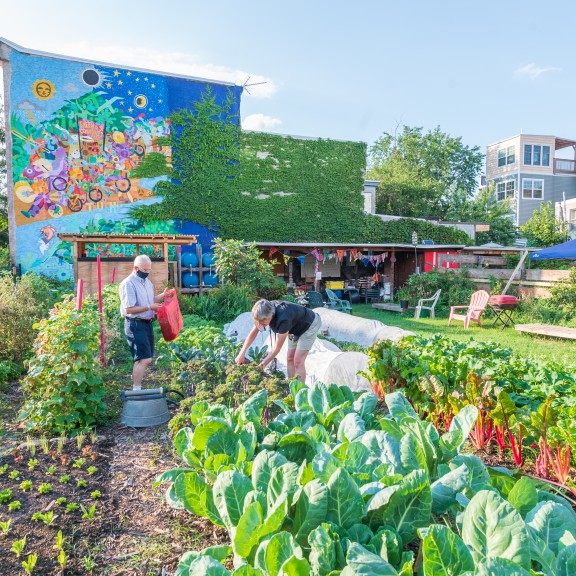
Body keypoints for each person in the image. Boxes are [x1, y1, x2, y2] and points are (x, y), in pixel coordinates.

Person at [235, 299, 321, 383]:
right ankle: (291, 387)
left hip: (309, 325)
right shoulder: (266, 308)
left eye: (262, 321)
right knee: (290, 358)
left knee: (298, 361)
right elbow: (253, 333)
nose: (260, 324)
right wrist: (241, 354)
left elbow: (276, 349)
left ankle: (300, 393)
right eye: (258, 321)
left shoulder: (283, 320)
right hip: (294, 326)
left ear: (270, 315)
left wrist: (262, 365)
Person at [119, 255, 168, 389]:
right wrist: (148, 307)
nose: (147, 272)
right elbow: (128, 309)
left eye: (149, 270)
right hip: (135, 324)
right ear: (136, 268)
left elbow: (150, 300)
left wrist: (162, 296)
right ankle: (136, 389)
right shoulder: (128, 284)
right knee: (144, 359)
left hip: (146, 323)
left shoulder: (147, 282)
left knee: (144, 357)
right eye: (145, 270)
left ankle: (136, 382)